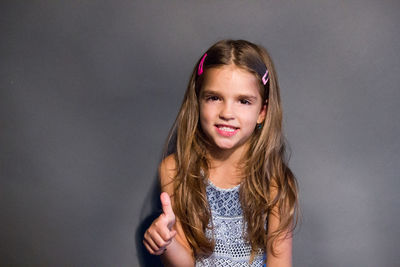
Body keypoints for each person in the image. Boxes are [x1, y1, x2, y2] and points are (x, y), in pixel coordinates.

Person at [143, 39, 299, 267]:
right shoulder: (174, 170)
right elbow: (184, 263)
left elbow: (280, 263)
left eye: (243, 101)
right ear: (198, 101)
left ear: (262, 113)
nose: (227, 112)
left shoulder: (274, 181)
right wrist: (167, 242)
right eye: (214, 98)